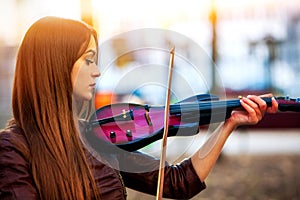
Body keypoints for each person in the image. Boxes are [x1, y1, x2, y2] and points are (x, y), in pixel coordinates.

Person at [0, 16, 278, 200]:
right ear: (54, 66)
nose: (97, 71)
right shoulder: (13, 150)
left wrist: (228, 123)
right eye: (88, 60)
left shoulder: (97, 137)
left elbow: (179, 182)